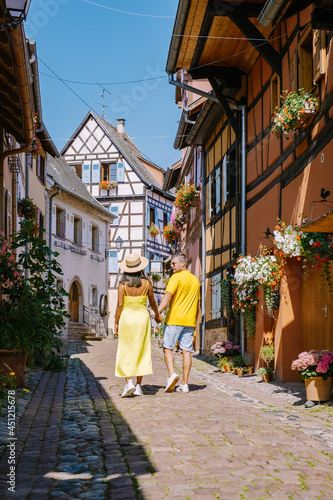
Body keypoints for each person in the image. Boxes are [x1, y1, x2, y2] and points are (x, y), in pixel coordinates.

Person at [114, 253, 162, 397]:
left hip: (127, 319)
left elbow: (120, 305)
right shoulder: (147, 283)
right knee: (142, 350)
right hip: (142, 318)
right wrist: (158, 316)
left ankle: (128, 382)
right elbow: (153, 303)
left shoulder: (122, 284)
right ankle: (139, 386)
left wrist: (116, 322)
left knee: (125, 350)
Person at [158, 253, 200, 393]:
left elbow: (167, 296)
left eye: (174, 263)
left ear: (183, 264)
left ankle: (171, 375)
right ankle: (184, 384)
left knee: (168, 348)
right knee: (186, 351)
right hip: (189, 321)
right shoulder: (195, 280)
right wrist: (196, 321)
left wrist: (157, 311)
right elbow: (198, 304)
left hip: (175, 320)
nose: (171, 266)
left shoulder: (175, 277)